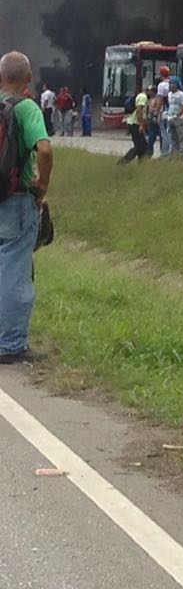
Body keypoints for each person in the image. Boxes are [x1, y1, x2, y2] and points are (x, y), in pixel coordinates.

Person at [0, 51, 53, 364]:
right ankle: (10, 344)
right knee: (15, 271)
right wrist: (41, 185)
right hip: (17, 199)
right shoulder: (25, 107)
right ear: (28, 78)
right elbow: (44, 149)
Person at [118, 82, 150, 163]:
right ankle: (123, 161)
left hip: (133, 123)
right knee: (139, 146)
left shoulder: (141, 96)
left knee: (143, 146)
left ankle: (141, 164)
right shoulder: (143, 97)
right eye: (153, 91)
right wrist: (141, 125)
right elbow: (139, 111)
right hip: (135, 124)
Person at [165, 73, 183, 160]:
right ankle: (174, 154)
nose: (172, 86)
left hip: (179, 119)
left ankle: (180, 155)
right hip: (170, 118)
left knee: (181, 138)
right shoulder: (169, 94)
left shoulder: (181, 94)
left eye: (173, 84)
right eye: (170, 84)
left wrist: (178, 114)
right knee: (173, 137)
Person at [155, 66, 173, 156]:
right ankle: (171, 151)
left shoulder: (161, 85)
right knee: (170, 132)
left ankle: (165, 152)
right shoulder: (172, 83)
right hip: (173, 110)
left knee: (164, 132)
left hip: (164, 110)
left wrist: (157, 111)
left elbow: (160, 99)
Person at [144, 84, 164, 157]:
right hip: (152, 120)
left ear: (153, 91)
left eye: (149, 91)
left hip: (154, 120)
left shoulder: (154, 99)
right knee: (153, 136)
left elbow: (154, 109)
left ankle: (150, 152)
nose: (148, 92)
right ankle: (150, 151)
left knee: (154, 136)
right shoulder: (152, 99)